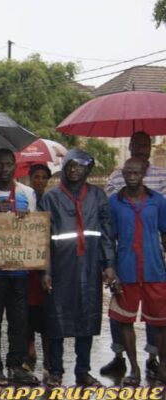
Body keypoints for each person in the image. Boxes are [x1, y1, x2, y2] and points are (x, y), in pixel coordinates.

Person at [39, 148, 116, 387]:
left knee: (87, 318)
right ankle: (56, 370)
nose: (74, 170)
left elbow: (105, 233)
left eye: (79, 166)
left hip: (89, 267)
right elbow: (41, 238)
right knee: (57, 320)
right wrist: (46, 271)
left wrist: (109, 264)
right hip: (61, 267)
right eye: (70, 165)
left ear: (87, 169)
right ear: (64, 168)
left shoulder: (97, 196)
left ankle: (83, 371)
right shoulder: (51, 198)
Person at [102, 131, 165, 378]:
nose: (141, 148)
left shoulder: (158, 197)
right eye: (136, 144)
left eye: (145, 145)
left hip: (154, 264)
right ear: (128, 147)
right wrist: (108, 266)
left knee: (158, 320)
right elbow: (109, 231)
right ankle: (129, 365)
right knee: (122, 318)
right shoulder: (116, 193)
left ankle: (156, 361)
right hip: (126, 266)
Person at [0, 149, 39, 385]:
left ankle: (16, 365)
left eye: (8, 164)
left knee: (19, 321)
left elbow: (36, 227)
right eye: (0, 165)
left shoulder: (27, 193)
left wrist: (26, 219)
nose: (4, 168)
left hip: (19, 269)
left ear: (15, 166)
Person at [25, 164, 52, 373]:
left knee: (45, 311)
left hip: (45, 263)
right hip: (26, 264)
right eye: (36, 177)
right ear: (30, 178)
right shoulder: (24, 199)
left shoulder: (52, 201)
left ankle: (49, 356)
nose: (39, 180)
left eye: (43, 177)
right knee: (26, 310)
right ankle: (29, 350)